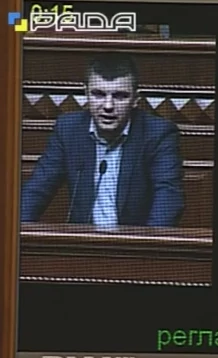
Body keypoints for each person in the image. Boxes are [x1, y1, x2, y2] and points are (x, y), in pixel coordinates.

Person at [20, 52, 184, 227]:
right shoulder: (69, 130)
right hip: (82, 240)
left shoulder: (157, 134)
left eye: (120, 96)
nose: (108, 106)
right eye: (98, 94)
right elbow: (37, 189)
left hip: (135, 240)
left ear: (135, 99)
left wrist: (146, 242)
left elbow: (168, 199)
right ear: (86, 94)